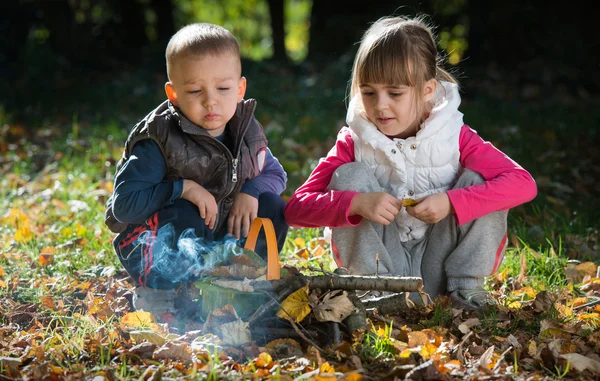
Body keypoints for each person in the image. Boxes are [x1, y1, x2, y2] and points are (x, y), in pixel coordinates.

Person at [283, 15, 537, 311]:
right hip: (382, 273)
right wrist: (356, 203)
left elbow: (522, 184)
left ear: (427, 90)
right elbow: (297, 208)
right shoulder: (354, 141)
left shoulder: (455, 136)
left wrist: (451, 202)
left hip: (440, 269)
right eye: (368, 92)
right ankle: (375, 292)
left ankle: (466, 290)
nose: (380, 105)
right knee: (350, 176)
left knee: (480, 181)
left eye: (395, 93)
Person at [104, 23, 288, 318]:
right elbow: (123, 207)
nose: (210, 100)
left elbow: (277, 174)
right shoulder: (158, 139)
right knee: (186, 210)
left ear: (240, 89)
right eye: (194, 90)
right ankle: (161, 293)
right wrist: (183, 188)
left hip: (216, 237)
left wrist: (250, 192)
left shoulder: (244, 129)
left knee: (271, 205)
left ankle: (251, 284)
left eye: (223, 88)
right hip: (155, 247)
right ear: (173, 94)